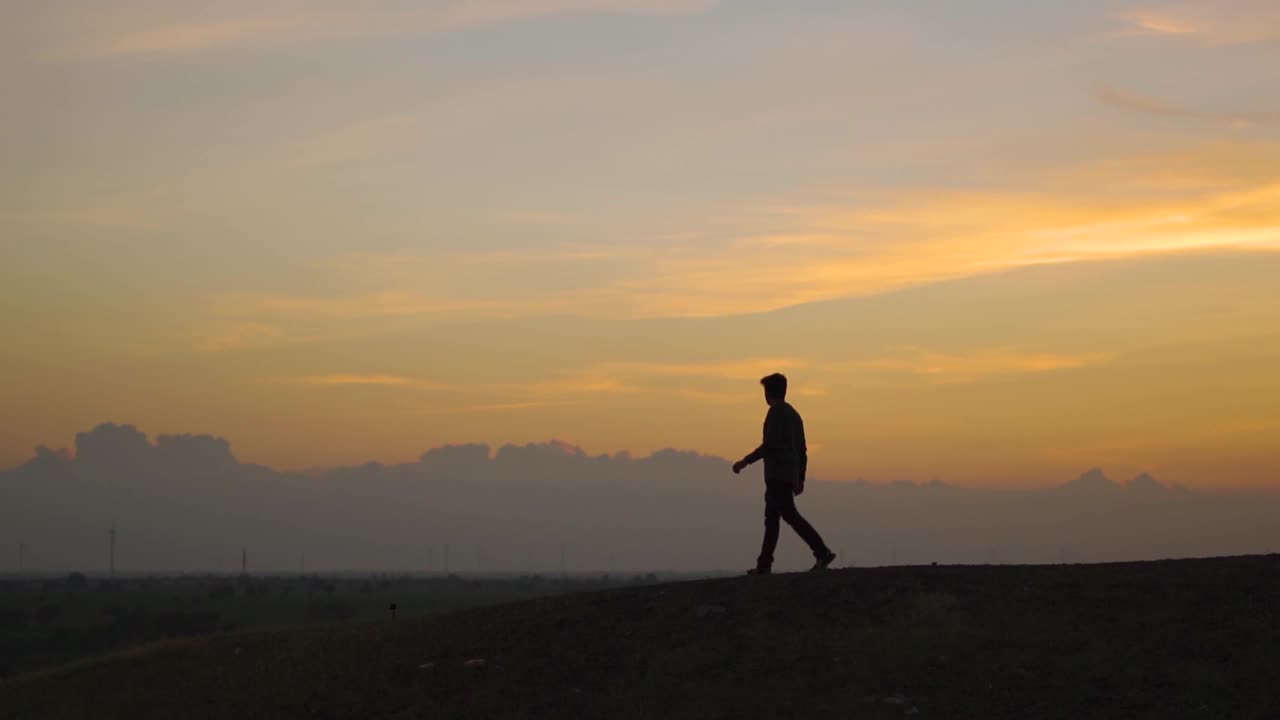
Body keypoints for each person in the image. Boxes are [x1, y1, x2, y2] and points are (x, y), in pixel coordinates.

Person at [732, 373, 836, 574]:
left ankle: (821, 551)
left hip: (777, 476)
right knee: (772, 519)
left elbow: (769, 445)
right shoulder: (794, 415)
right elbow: (802, 450)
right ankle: (764, 564)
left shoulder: (776, 413)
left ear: (768, 392)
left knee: (789, 515)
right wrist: (801, 477)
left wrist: (745, 461)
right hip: (787, 475)